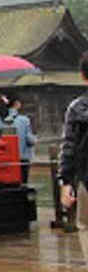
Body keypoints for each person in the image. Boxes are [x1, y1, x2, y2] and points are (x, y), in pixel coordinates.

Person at [59, 53, 88, 213]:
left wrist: (66, 181)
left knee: (85, 224)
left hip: (86, 179)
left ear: (83, 76)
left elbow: (69, 147)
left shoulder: (76, 108)